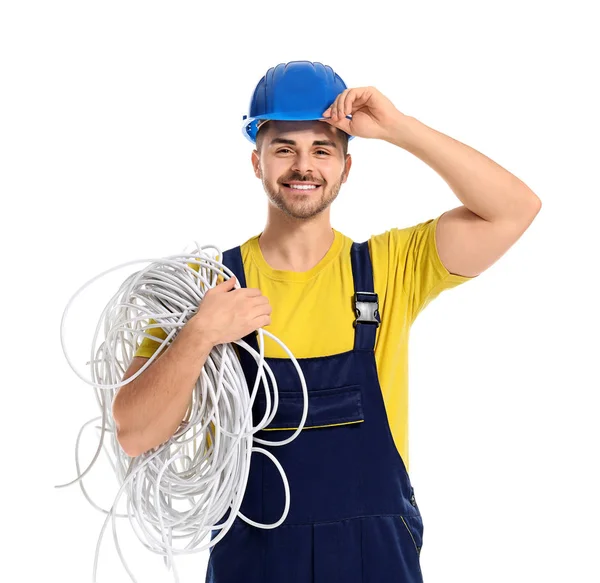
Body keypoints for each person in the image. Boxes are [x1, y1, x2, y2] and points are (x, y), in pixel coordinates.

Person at [112, 61, 541, 582]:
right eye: (284, 148)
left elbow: (514, 210)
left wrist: (399, 127)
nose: (303, 166)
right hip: (255, 563)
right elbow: (134, 432)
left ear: (345, 166)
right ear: (257, 162)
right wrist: (201, 332)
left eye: (322, 149)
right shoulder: (205, 287)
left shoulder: (387, 268)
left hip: (376, 561)